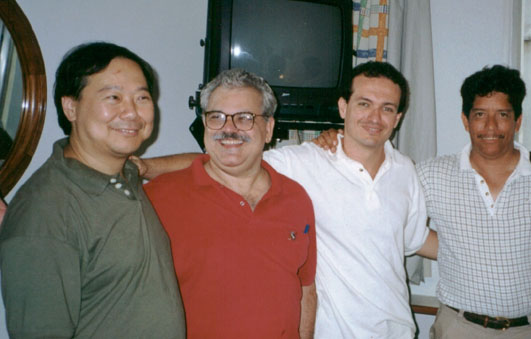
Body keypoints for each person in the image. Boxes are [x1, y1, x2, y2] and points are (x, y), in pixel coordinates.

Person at [137, 61, 438, 338]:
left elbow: (414, 239)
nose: (374, 117)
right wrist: (144, 167)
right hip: (333, 333)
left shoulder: (406, 171)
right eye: (364, 104)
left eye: (387, 108)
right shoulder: (304, 162)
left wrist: (476, 250)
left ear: (398, 118)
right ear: (343, 107)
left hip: (397, 330)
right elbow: (225, 155)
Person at [316, 65, 531, 339]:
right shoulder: (431, 174)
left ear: (518, 121)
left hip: (529, 330)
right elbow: (383, 197)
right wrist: (339, 140)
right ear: (465, 120)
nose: (490, 126)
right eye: (479, 114)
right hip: (458, 327)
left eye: (502, 114)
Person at [0, 42, 186, 338]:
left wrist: (148, 167)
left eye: (141, 98)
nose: (131, 112)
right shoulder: (46, 210)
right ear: (70, 107)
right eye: (113, 97)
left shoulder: (125, 174)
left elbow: (213, 164)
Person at [143, 68, 317, 339]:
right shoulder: (159, 197)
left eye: (245, 118)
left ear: (268, 128)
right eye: (217, 117)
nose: (229, 129)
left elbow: (305, 289)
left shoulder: (296, 199)